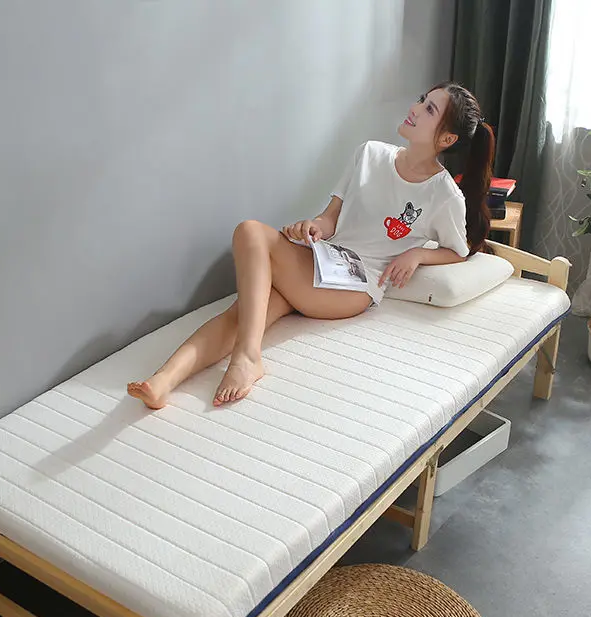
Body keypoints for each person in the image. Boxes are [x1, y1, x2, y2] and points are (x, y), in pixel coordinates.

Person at [128, 81, 495, 410]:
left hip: (357, 284)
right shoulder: (369, 154)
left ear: (447, 140)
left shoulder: (444, 195)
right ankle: (164, 382)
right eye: (421, 99)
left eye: (429, 109)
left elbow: (458, 251)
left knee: (251, 232)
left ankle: (248, 358)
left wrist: (417, 253)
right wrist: (313, 227)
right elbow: (330, 217)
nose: (415, 108)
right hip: (324, 258)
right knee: (243, 315)